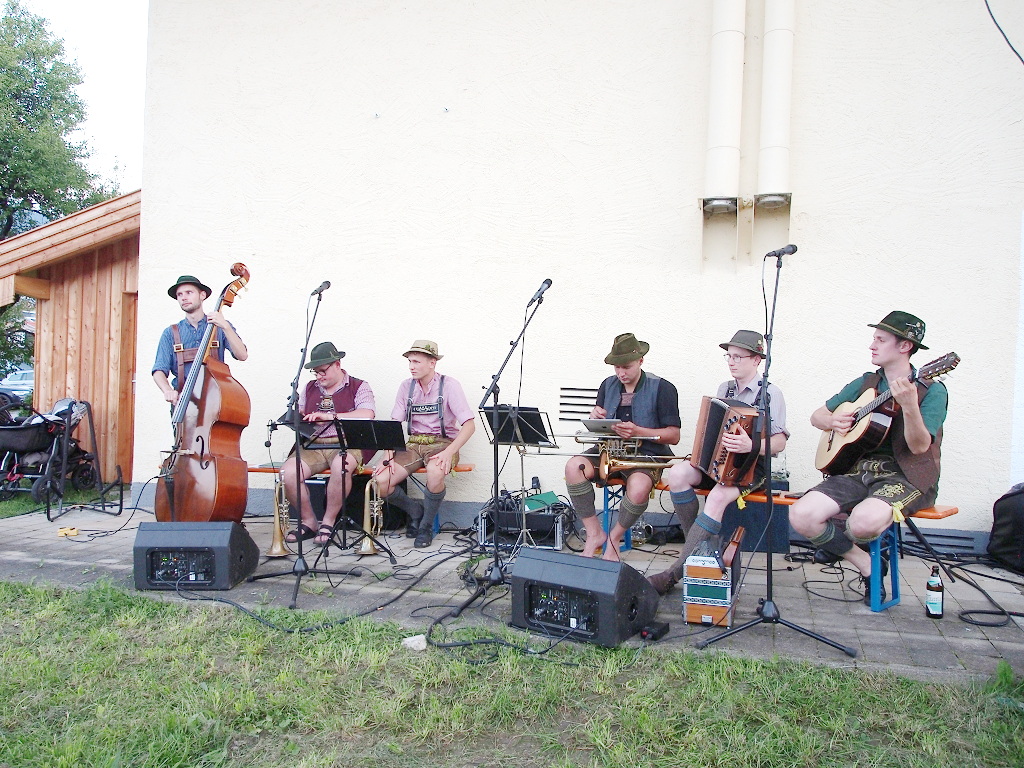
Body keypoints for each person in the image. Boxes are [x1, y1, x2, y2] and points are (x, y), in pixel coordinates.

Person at [789, 311, 947, 604]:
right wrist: (833, 421)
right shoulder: (866, 383)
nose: (872, 345)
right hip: (857, 470)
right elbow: (817, 416)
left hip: (906, 475)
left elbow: (919, 447)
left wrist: (910, 406)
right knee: (801, 514)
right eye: (874, 338)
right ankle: (866, 564)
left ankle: (837, 542)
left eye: (881, 340)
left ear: (905, 346)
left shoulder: (931, 391)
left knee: (862, 523)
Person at [647, 330, 789, 594]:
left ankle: (673, 573)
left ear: (756, 360)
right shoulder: (725, 388)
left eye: (738, 357)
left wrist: (751, 446)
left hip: (752, 468)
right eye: (729, 356)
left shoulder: (770, 393)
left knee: (716, 497)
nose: (732, 362)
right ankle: (701, 548)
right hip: (719, 462)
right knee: (678, 474)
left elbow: (779, 442)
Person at [564, 333, 681, 561]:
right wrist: (595, 418)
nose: (621, 373)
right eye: (617, 367)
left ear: (641, 361)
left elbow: (674, 436)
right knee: (573, 467)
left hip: (646, 455)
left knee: (638, 488)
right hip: (608, 450)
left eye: (626, 367)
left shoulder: (663, 388)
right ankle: (594, 533)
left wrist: (639, 432)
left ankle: (614, 538)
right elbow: (601, 429)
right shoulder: (607, 385)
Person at [373, 340, 476, 548]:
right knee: (381, 481)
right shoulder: (406, 386)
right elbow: (394, 424)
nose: (411, 367)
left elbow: (469, 425)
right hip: (413, 444)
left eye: (417, 362)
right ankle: (415, 511)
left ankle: (426, 526)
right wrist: (388, 454)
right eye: (410, 362)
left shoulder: (449, 385)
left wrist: (449, 452)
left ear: (432, 363)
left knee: (435, 472)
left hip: (442, 443)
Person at [281, 341, 377, 545]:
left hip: (347, 443)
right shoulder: (309, 388)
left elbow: (367, 414)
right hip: (314, 444)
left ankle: (328, 521)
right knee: (288, 473)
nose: (319, 376)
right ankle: (309, 521)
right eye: (315, 372)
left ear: (337, 364)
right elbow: (302, 411)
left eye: (322, 371)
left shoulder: (359, 386)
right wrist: (297, 418)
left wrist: (330, 416)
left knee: (341, 467)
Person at [152, 274, 248, 405]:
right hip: (184, 404)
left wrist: (225, 326)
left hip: (216, 402)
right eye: (179, 294)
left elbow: (242, 355)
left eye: (189, 292)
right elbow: (159, 370)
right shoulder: (170, 333)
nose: (183, 297)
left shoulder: (219, 326)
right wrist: (167, 390)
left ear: (202, 295)